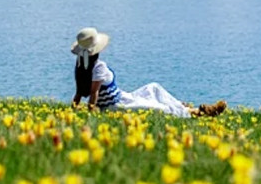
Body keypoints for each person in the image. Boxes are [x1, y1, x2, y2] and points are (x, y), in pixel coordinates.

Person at [70, 27, 226, 118]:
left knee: (153, 88)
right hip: (116, 106)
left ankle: (180, 105)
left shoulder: (81, 67)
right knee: (160, 109)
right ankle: (199, 112)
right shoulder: (99, 67)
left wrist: (74, 106)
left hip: (121, 97)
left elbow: (80, 92)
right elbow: (94, 93)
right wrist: (92, 110)